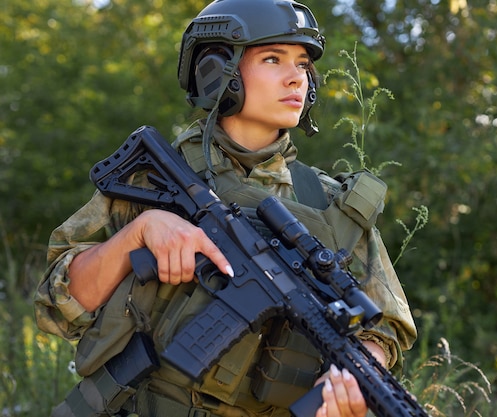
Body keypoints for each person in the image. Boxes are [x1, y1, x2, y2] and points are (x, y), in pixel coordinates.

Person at [34, 0, 418, 416]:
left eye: (304, 64)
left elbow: (385, 328)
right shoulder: (154, 178)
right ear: (216, 70)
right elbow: (55, 308)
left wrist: (357, 375)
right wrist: (138, 233)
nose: (297, 78)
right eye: (273, 59)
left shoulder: (330, 205)